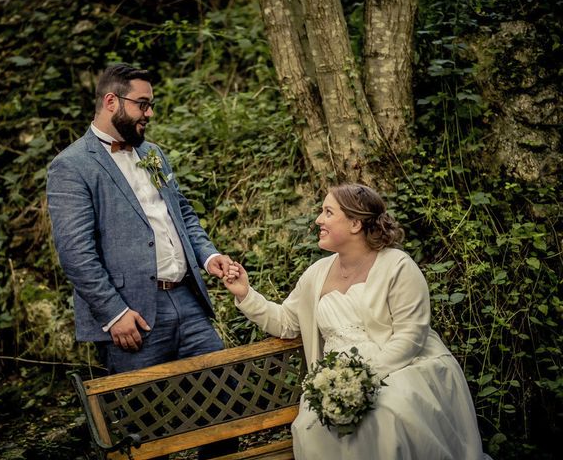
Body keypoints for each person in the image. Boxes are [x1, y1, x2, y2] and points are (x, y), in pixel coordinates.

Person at [223, 183, 487, 459]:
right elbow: (287, 322)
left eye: (328, 212)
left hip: (400, 368)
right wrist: (246, 294)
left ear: (355, 224)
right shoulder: (316, 273)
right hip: (335, 379)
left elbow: (410, 337)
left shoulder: (397, 266)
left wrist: (363, 378)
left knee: (389, 412)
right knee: (310, 424)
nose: (318, 220)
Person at [46, 63, 234, 374]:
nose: (149, 114)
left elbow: (182, 213)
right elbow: (75, 252)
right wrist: (114, 313)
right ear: (111, 102)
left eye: (151, 106)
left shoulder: (154, 154)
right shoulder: (71, 166)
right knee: (147, 414)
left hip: (187, 301)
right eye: (142, 104)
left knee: (222, 394)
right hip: (132, 316)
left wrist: (208, 255)